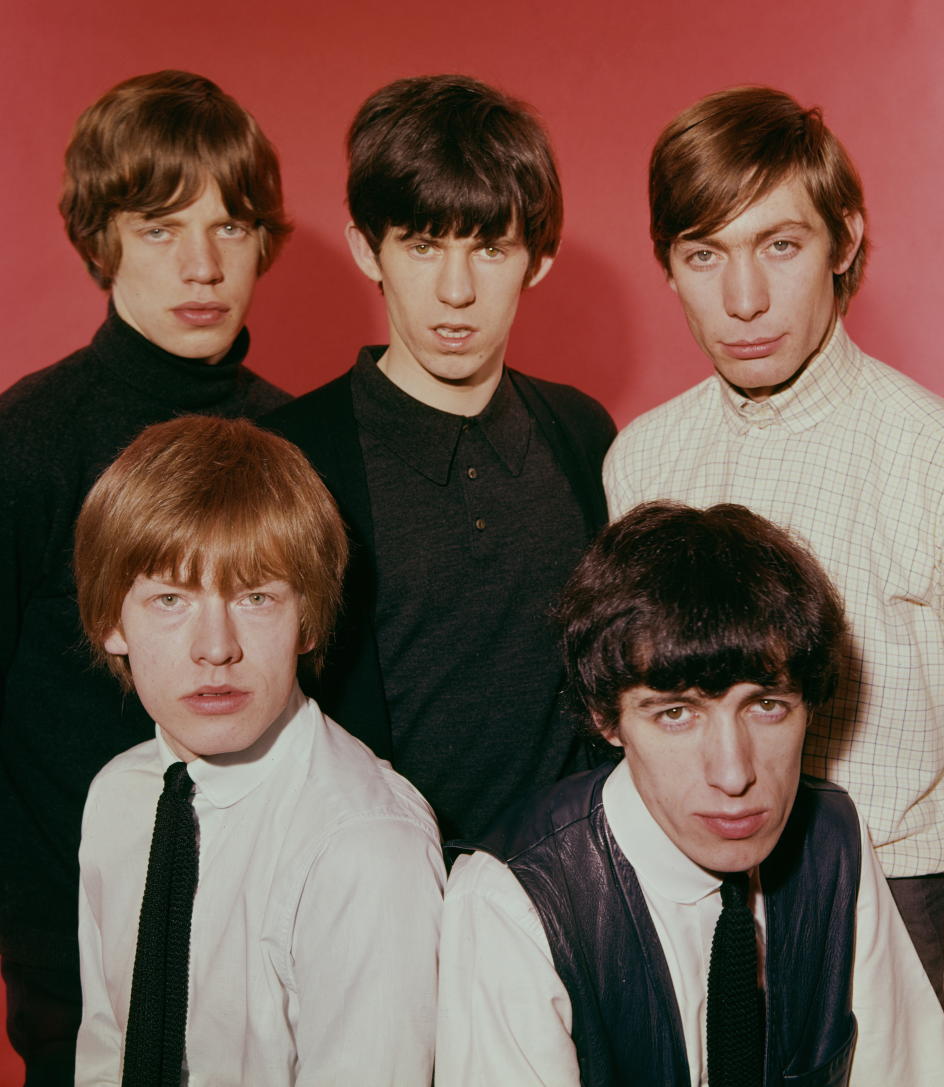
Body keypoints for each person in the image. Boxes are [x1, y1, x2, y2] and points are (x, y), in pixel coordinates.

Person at [602, 87, 944, 1048]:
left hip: (898, 902)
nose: (744, 299)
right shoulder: (640, 460)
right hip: (689, 911)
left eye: (781, 246)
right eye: (705, 254)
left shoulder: (941, 462)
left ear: (845, 239)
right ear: (670, 267)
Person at [437, 502, 944, 1086]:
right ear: (608, 720)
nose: (734, 775)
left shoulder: (833, 836)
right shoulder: (512, 898)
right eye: (676, 713)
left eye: (766, 705)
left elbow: (904, 1071)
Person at [0, 70, 292, 1083]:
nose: (203, 265)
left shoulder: (297, 438)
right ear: (100, 241)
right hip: (84, 959)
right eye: (162, 228)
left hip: (273, 948)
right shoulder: (29, 441)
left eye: (232, 226)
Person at [262, 74, 616, 839]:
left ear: (539, 259)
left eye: (489, 248)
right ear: (368, 248)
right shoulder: (290, 455)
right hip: (379, 891)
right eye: (423, 245)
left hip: (571, 888)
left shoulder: (583, 433)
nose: (456, 290)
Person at [72, 415, 443, 1086]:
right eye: (169, 599)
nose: (216, 647)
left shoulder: (364, 845)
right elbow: (105, 1049)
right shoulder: (118, 795)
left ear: (307, 619)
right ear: (110, 622)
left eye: (256, 597)